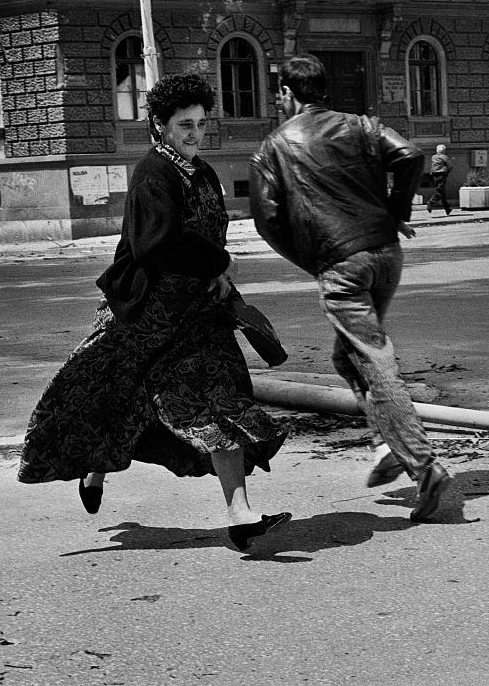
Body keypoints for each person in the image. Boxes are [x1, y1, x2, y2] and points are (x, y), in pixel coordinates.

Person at [18, 73, 291, 552]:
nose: (195, 133)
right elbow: (154, 246)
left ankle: (240, 514)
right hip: (144, 316)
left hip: (198, 317)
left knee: (220, 401)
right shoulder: (152, 174)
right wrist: (216, 263)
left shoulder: (202, 173)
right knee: (113, 398)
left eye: (201, 124)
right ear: (160, 126)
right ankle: (94, 468)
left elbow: (210, 239)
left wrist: (220, 278)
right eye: (184, 124)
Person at [249, 54, 452, 521]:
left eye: (278, 94)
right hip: (386, 255)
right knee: (347, 357)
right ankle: (385, 442)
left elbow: (268, 220)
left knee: (376, 363)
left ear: (286, 94)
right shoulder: (361, 125)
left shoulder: (274, 146)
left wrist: (314, 259)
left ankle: (424, 467)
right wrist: (396, 211)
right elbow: (410, 155)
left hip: (342, 265)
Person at [426, 144, 453, 215]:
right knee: (439, 191)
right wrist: (448, 171)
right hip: (442, 175)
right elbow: (450, 166)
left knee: (442, 191)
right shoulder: (444, 157)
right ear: (444, 151)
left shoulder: (433, 157)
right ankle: (431, 202)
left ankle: (448, 208)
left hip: (434, 175)